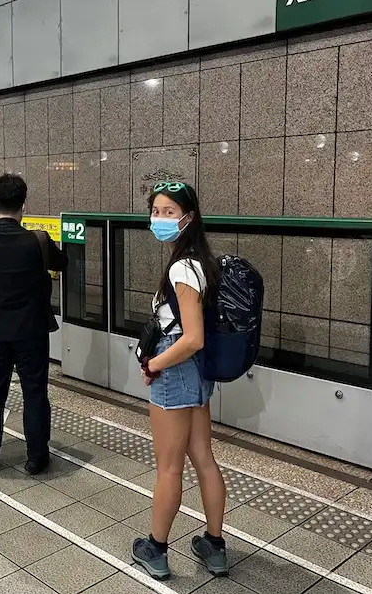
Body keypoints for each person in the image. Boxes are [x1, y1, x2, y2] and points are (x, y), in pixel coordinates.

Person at [131, 181, 228, 581]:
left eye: (169, 212)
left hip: (178, 369)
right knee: (202, 457)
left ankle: (155, 548)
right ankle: (214, 546)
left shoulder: (181, 267)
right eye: (156, 211)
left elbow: (191, 338)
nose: (160, 219)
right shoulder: (201, 261)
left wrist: (154, 365)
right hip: (198, 372)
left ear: (188, 217)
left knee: (169, 467)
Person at [0, 174, 68, 475]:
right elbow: (64, 263)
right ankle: (37, 457)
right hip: (32, 331)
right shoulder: (38, 240)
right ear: (24, 204)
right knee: (35, 392)